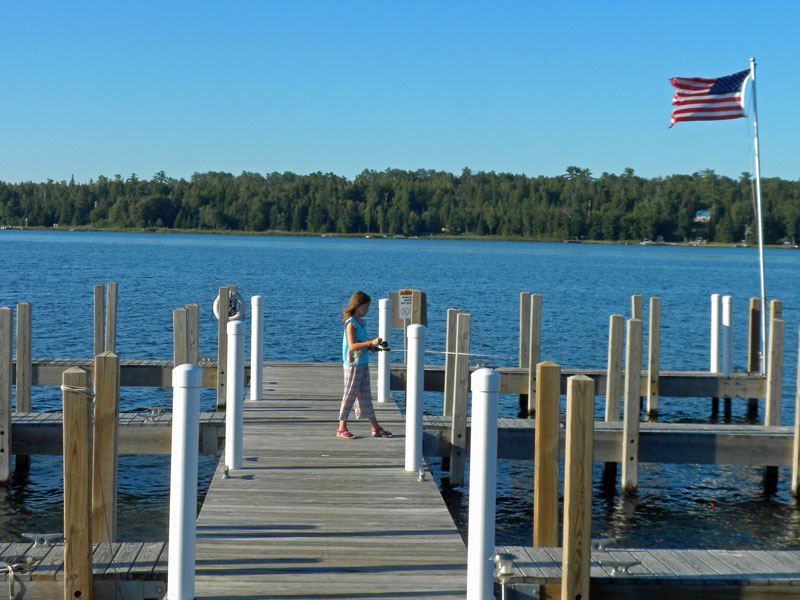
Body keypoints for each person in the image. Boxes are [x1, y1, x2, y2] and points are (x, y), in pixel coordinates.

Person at [337, 291, 393, 439]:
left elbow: (361, 343)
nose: (368, 310)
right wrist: (370, 343)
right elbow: (352, 346)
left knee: (365, 397)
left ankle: (375, 428)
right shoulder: (351, 323)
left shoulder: (362, 322)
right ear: (358, 305)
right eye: (366, 307)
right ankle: (341, 428)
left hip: (362, 363)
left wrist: (370, 347)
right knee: (349, 395)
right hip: (353, 365)